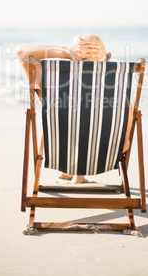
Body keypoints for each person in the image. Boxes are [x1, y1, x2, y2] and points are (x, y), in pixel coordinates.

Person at [16, 34, 131, 183]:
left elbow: (20, 52)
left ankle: (76, 172)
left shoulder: (54, 86)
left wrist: (65, 51)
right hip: (105, 155)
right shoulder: (118, 91)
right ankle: (79, 175)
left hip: (62, 153)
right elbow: (124, 144)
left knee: (68, 120)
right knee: (94, 123)